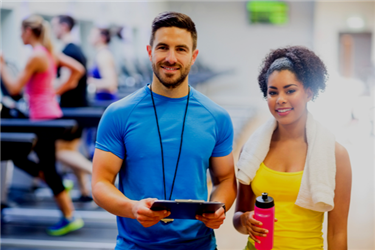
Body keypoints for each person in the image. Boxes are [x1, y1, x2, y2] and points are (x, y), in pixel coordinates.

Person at [92, 11, 237, 250]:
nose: (171, 58)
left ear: (193, 56)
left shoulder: (216, 117)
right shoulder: (118, 114)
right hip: (135, 244)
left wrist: (218, 207)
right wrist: (132, 208)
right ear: (150, 52)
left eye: (181, 49)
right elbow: (100, 184)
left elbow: (225, 179)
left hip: (198, 244)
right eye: (162, 47)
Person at [233, 46, 352, 249]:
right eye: (273, 92)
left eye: (290, 90)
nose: (280, 99)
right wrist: (245, 221)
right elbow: (238, 218)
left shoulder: (335, 155)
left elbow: (337, 232)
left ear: (308, 92)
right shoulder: (252, 150)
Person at [0, 14, 85, 235]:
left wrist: (1, 65)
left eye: (21, 31)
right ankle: (54, 182)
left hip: (43, 118)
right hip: (46, 115)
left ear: (29, 31)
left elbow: (14, 88)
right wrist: (56, 90)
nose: (19, 35)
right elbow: (78, 69)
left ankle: (69, 215)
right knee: (21, 157)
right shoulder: (48, 52)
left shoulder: (36, 56)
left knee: (46, 167)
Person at [51, 14, 93, 202]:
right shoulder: (76, 48)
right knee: (71, 150)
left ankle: (100, 175)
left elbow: (67, 81)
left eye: (54, 26)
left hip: (71, 109)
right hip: (77, 106)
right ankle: (84, 190)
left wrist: (52, 92)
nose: (53, 30)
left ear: (64, 26)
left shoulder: (68, 51)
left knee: (60, 152)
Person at [87, 26, 118, 101]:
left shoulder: (104, 55)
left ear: (102, 38)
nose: (89, 38)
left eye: (92, 35)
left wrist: (89, 82)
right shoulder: (101, 54)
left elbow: (111, 84)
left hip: (106, 102)